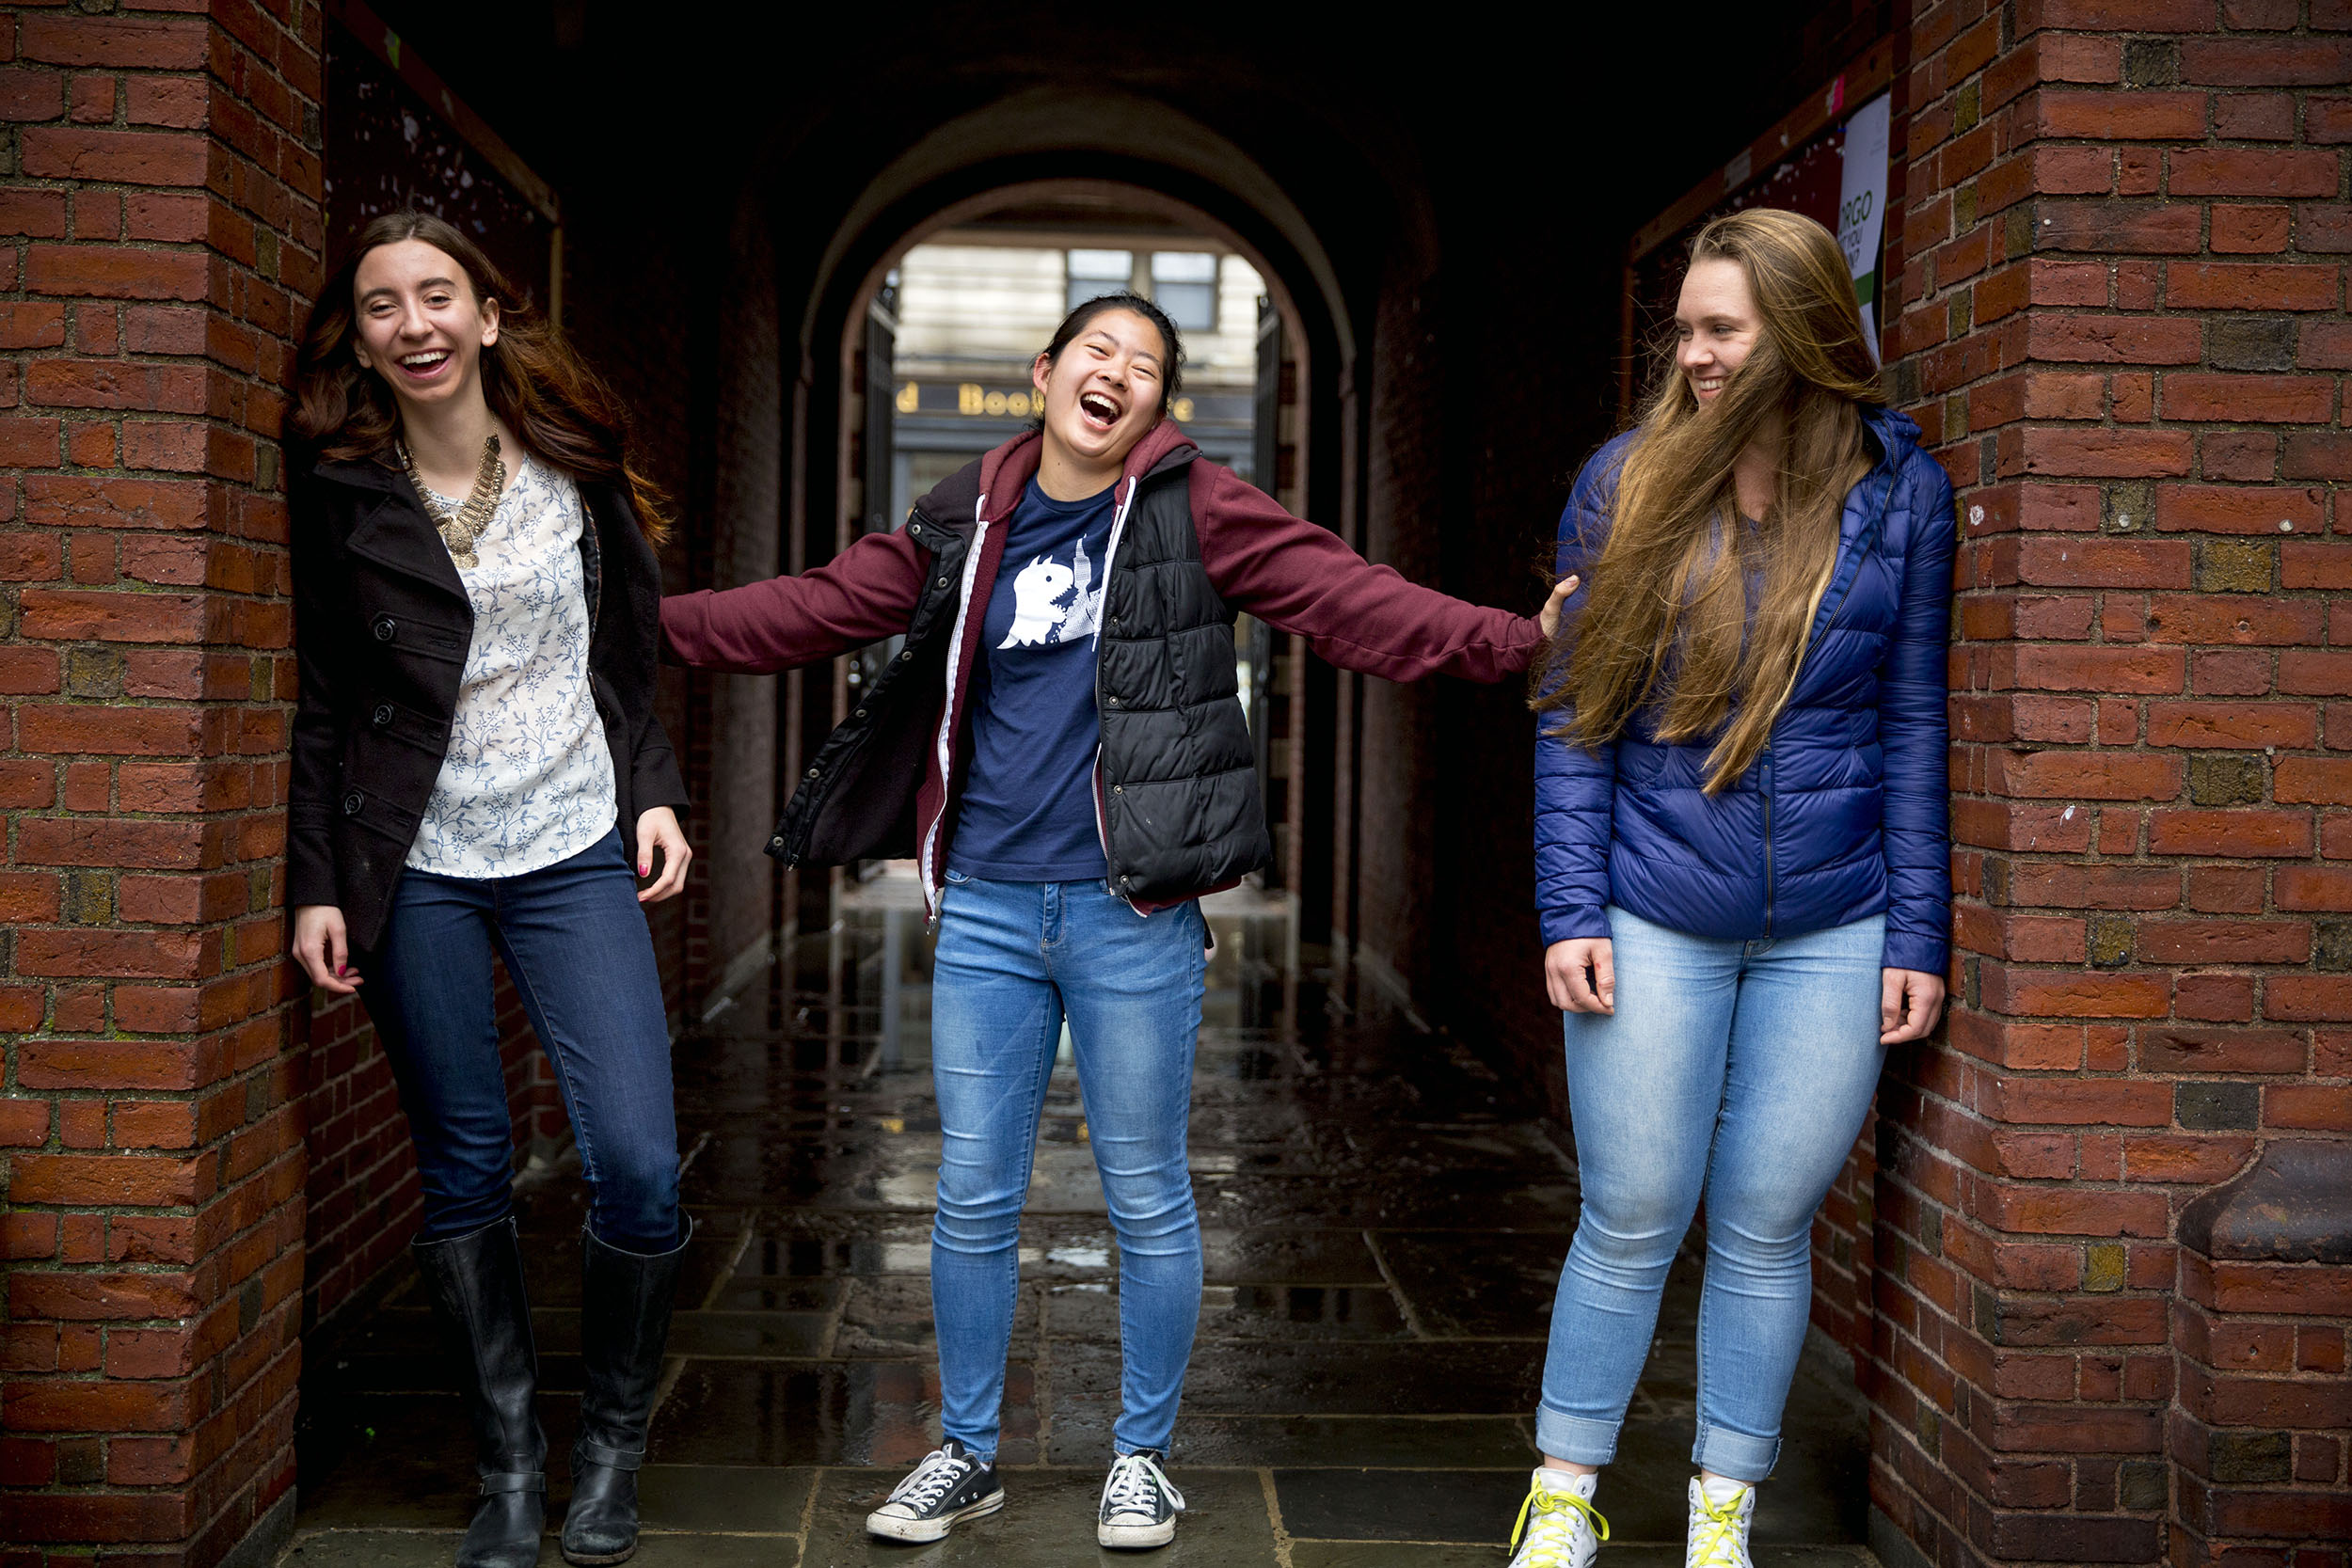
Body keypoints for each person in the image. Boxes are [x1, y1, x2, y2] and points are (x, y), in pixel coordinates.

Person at [661, 291, 1573, 1550]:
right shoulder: (961, 519)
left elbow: (1350, 600)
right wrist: (646, 627)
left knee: (1146, 1192)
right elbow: (812, 607)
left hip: (1128, 908)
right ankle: (965, 1450)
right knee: (973, 1193)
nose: (1119, 374)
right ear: (1044, 374)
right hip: (983, 903)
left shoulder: (1198, 509)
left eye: (1146, 366)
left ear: (1157, 407)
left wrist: (1520, 643)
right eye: (1098, 351)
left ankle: (1140, 1457)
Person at [1510, 208, 1953, 1568]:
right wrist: (1572, 909)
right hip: (1654, 905)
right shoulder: (1629, 479)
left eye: (1721, 332)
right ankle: (1565, 1496)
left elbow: (1914, 721)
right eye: (1686, 332)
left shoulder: (1899, 493)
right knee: (1633, 1213)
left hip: (1838, 921)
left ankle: (1723, 1512)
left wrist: (1917, 929)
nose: (1693, 357)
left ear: (1805, 335)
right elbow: (1577, 714)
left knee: (1765, 1226)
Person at [287, 211, 693, 1568]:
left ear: (489, 315)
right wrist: (318, 883)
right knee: (465, 1168)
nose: (414, 324)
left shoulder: (576, 462)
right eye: (383, 305)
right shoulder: (342, 488)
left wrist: (653, 791)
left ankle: (610, 1452)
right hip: (420, 865)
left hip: (574, 842)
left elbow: (629, 653)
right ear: (361, 335)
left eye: (437, 295)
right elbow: (329, 703)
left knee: (635, 1160)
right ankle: (511, 1469)